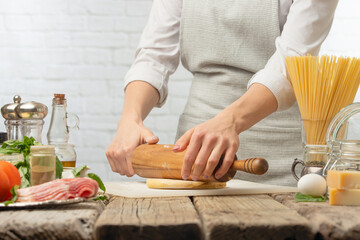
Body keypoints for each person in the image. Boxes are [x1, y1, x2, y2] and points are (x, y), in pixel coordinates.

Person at [106, 0, 339, 186]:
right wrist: (130, 118)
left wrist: (230, 121)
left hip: (280, 159)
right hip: (196, 156)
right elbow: (155, 56)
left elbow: (291, 62)